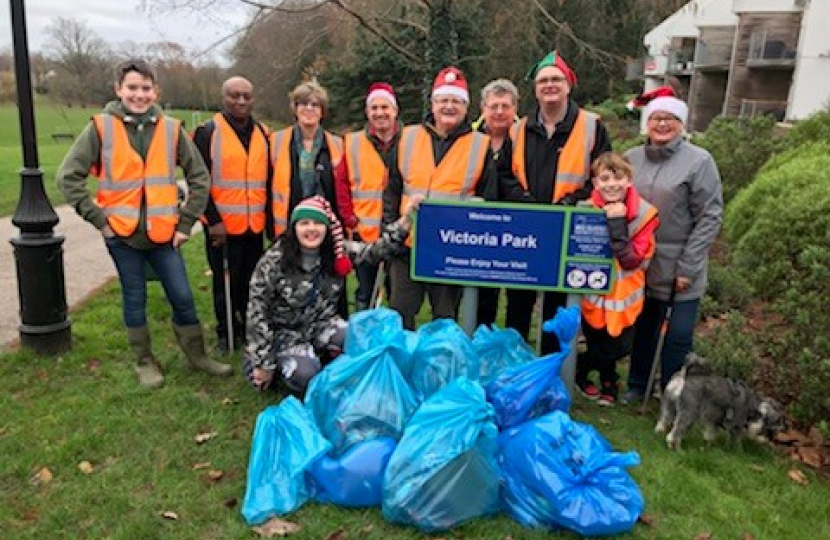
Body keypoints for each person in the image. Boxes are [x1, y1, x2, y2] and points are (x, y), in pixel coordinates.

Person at [56, 59, 232, 389]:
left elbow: (199, 176)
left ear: (156, 91)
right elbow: (67, 178)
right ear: (118, 90)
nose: (139, 95)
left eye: (145, 88)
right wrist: (99, 220)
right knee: (133, 297)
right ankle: (144, 360)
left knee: (182, 295)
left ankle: (197, 356)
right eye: (132, 88)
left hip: (165, 235)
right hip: (122, 236)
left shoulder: (171, 129)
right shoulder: (101, 128)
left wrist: (185, 224)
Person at [244, 194, 423, 395]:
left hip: (321, 325)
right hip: (284, 336)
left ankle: (325, 358)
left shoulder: (337, 251)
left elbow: (375, 252)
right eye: (304, 223)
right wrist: (262, 361)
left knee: (364, 340)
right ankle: (273, 371)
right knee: (307, 376)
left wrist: (406, 219)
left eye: (317, 224)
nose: (311, 229)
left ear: (327, 229)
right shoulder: (275, 260)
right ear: (294, 228)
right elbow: (256, 312)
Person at [501, 50, 613, 354]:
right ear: (535, 89)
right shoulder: (518, 129)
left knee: (558, 307)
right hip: (525, 229)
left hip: (568, 229)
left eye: (556, 80)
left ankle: (552, 370)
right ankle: (516, 367)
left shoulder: (592, 126)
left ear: (568, 85)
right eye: (543, 81)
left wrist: (570, 202)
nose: (549, 85)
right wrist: (523, 201)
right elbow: (504, 175)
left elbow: (604, 176)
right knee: (518, 305)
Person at [622, 94, 723, 403]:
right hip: (642, 262)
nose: (662, 123)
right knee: (645, 330)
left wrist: (689, 266)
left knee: (678, 336)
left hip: (681, 263)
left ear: (681, 124)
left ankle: (671, 393)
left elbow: (710, 215)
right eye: (655, 118)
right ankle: (638, 385)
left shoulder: (699, 161)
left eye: (670, 118)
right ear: (646, 123)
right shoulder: (632, 158)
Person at [386, 66, 498, 330]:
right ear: (433, 104)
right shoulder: (407, 137)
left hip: (451, 251)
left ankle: (439, 368)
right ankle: (403, 368)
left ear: (466, 106)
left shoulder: (480, 145)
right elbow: (391, 189)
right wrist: (391, 231)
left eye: (455, 101)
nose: (449, 106)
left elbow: (488, 200)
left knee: (445, 321)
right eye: (443, 100)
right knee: (400, 315)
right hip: (407, 246)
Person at [192, 76, 270, 353]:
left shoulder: (263, 133)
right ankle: (226, 332)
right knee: (225, 281)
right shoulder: (207, 132)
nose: (241, 101)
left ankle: (249, 327)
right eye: (234, 96)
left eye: (246, 96)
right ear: (223, 98)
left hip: (254, 225)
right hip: (222, 228)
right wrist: (212, 220)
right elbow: (197, 181)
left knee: (253, 282)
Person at [575, 153, 659, 406]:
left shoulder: (645, 214)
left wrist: (617, 223)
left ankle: (578, 367)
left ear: (629, 180)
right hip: (593, 292)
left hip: (625, 294)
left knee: (620, 345)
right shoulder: (585, 209)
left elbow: (631, 260)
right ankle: (608, 383)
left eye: (619, 177)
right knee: (597, 338)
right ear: (595, 183)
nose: (612, 184)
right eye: (605, 178)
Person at [270, 81, 346, 317]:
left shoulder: (337, 144)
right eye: (303, 103)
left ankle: (333, 328)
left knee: (329, 276)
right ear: (294, 108)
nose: (309, 109)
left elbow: (343, 186)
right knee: (290, 277)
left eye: (315, 104)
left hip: (325, 223)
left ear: (322, 110)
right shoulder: (276, 141)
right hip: (290, 222)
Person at [334, 82, 403, 311]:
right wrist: (349, 218)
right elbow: (341, 183)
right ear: (367, 112)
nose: (379, 113)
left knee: (398, 293)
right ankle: (364, 338)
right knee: (365, 291)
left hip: (400, 232)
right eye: (374, 108)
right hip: (365, 232)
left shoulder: (410, 141)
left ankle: (393, 339)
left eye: (385, 107)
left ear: (395, 110)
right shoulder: (352, 142)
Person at [473, 78, 520, 327]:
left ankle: (515, 349)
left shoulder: (526, 137)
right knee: (482, 295)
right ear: (483, 109)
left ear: (515, 108)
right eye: (493, 106)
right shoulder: (470, 139)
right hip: (481, 231)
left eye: (505, 106)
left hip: (518, 229)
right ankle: (481, 345)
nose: (499, 112)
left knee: (519, 296)